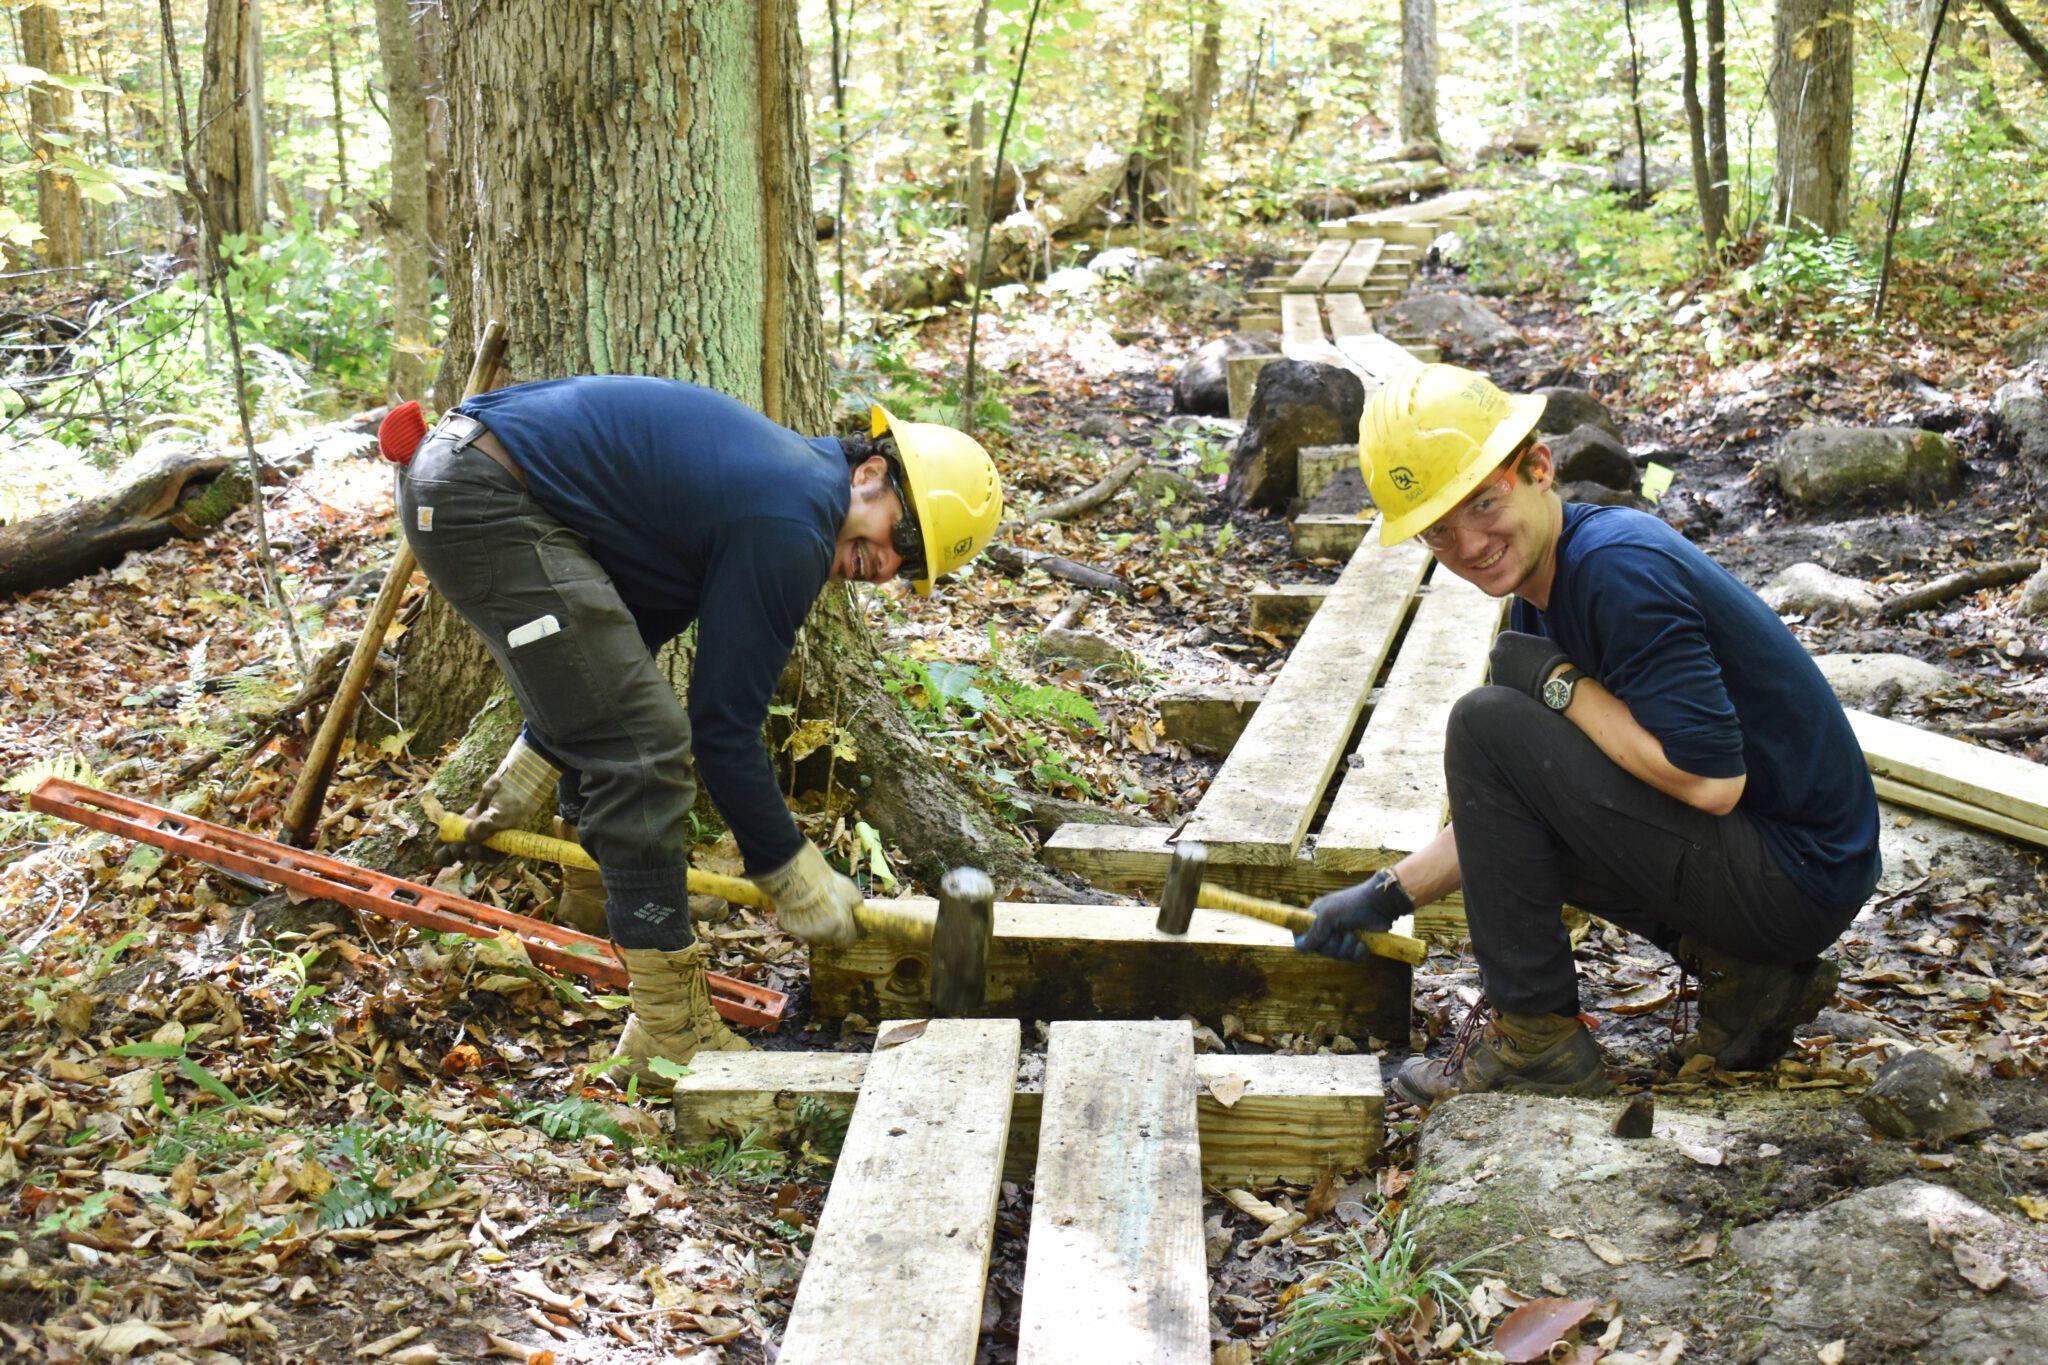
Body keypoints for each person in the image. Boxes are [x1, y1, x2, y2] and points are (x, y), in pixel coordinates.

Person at [389, 376, 1003, 1085]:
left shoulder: (775, 487)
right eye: (905, 533)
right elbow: (723, 727)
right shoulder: (796, 517)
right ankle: (670, 1031)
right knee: (648, 748)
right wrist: (791, 869)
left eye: (913, 566)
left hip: (464, 474)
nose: (889, 563)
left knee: (627, 719)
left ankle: (594, 906)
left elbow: (620, 648)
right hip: (481, 492)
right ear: (870, 472)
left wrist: (537, 753)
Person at [1294, 364, 1879, 1104]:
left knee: (1485, 722)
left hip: (1795, 874)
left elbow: (1711, 781)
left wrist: (1560, 688)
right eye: (1438, 528)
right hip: (1778, 872)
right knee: (1507, 752)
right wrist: (1384, 894)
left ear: (1538, 468)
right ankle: (1747, 973)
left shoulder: (1615, 570)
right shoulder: (1541, 595)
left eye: (1483, 502)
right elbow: (1509, 813)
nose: (1468, 542)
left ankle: (1538, 1040)